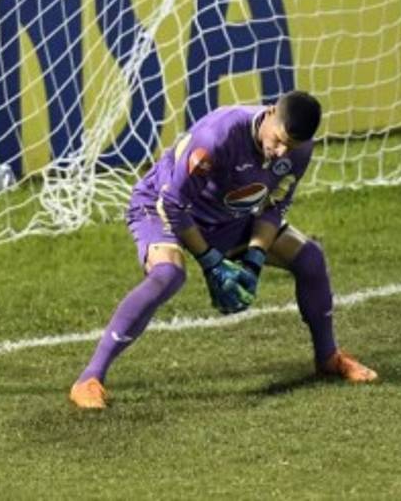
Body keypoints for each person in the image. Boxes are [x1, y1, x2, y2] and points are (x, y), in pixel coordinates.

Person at [69, 91, 377, 410]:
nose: (281, 151)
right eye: (280, 140)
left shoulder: (299, 151)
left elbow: (272, 208)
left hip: (226, 217)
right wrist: (212, 263)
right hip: (159, 205)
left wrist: (255, 259)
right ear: (270, 113)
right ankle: (89, 379)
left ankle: (328, 358)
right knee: (168, 273)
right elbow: (173, 205)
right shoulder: (217, 137)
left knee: (310, 257)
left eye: (291, 146)